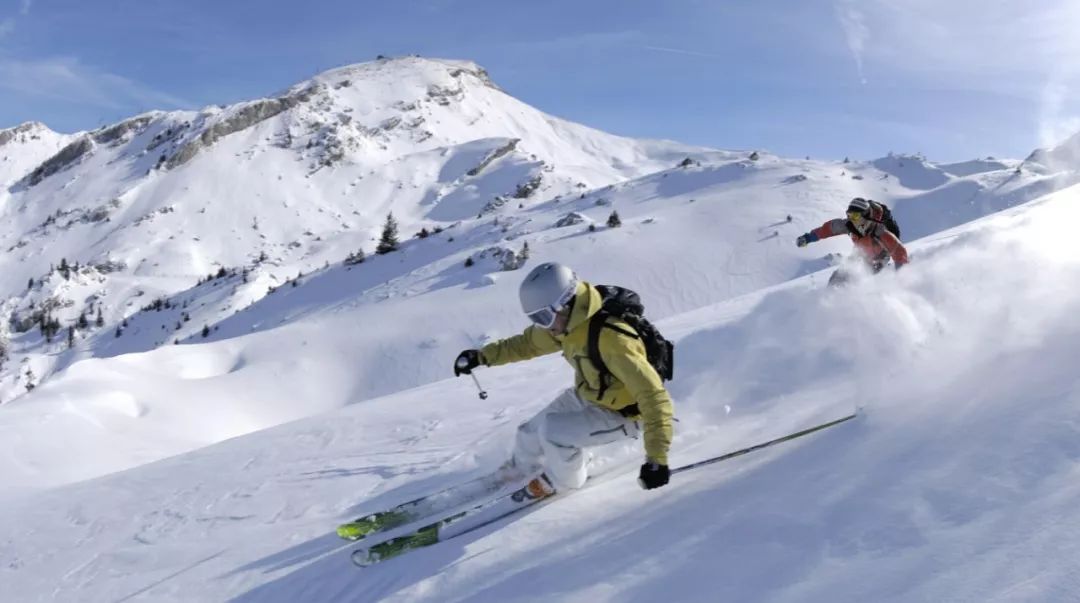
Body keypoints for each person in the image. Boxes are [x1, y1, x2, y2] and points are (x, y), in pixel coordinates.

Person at [454, 262, 675, 499]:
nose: (543, 327)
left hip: (624, 413)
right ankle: (519, 469)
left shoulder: (613, 340)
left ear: (566, 303)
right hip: (591, 394)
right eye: (535, 319)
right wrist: (481, 356)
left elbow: (654, 397)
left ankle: (564, 483)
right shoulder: (566, 325)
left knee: (553, 434)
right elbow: (527, 343)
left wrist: (656, 461)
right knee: (529, 432)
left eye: (544, 317)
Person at [797, 197, 909, 286]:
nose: (851, 219)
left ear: (865, 216)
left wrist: (901, 277)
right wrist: (808, 238)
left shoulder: (880, 231)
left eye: (855, 216)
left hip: (879, 257)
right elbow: (827, 229)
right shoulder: (848, 225)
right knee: (838, 277)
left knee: (860, 278)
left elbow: (899, 252)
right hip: (860, 254)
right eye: (849, 215)